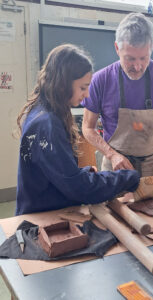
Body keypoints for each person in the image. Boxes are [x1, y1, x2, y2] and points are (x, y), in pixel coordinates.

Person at [16, 44, 140, 215]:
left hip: (42, 206)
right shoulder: (47, 124)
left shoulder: (42, 109)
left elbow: (53, 171)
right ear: (62, 84)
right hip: (42, 218)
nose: (87, 94)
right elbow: (79, 188)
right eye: (83, 87)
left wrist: (83, 172)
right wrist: (128, 178)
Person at [82, 13, 153, 198]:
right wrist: (112, 154)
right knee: (115, 222)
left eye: (143, 58)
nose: (137, 66)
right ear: (117, 48)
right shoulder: (100, 80)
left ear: (151, 50)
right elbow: (87, 127)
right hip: (116, 168)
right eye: (130, 59)